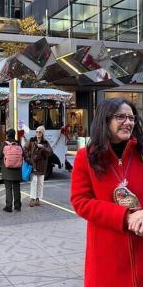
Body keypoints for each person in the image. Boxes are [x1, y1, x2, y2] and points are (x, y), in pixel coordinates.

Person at [71, 98, 143, 286]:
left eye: (131, 117)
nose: (128, 122)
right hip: (106, 255)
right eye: (121, 117)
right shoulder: (85, 157)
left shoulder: (141, 153)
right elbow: (80, 201)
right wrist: (125, 217)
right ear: (105, 120)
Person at [0, 129, 22, 212]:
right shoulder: (18, 144)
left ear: (7, 135)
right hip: (17, 170)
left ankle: (9, 207)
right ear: (14, 135)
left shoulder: (4, 144)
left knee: (8, 188)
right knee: (17, 188)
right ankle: (17, 206)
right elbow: (23, 155)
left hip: (7, 170)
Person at [25, 125, 53, 207]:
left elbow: (50, 152)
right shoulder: (32, 140)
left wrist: (43, 148)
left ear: (42, 133)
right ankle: (32, 199)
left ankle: (38, 198)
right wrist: (28, 159)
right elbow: (25, 149)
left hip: (42, 165)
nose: (37, 133)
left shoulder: (45, 143)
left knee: (40, 183)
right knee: (34, 182)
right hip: (33, 164)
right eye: (36, 131)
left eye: (39, 132)